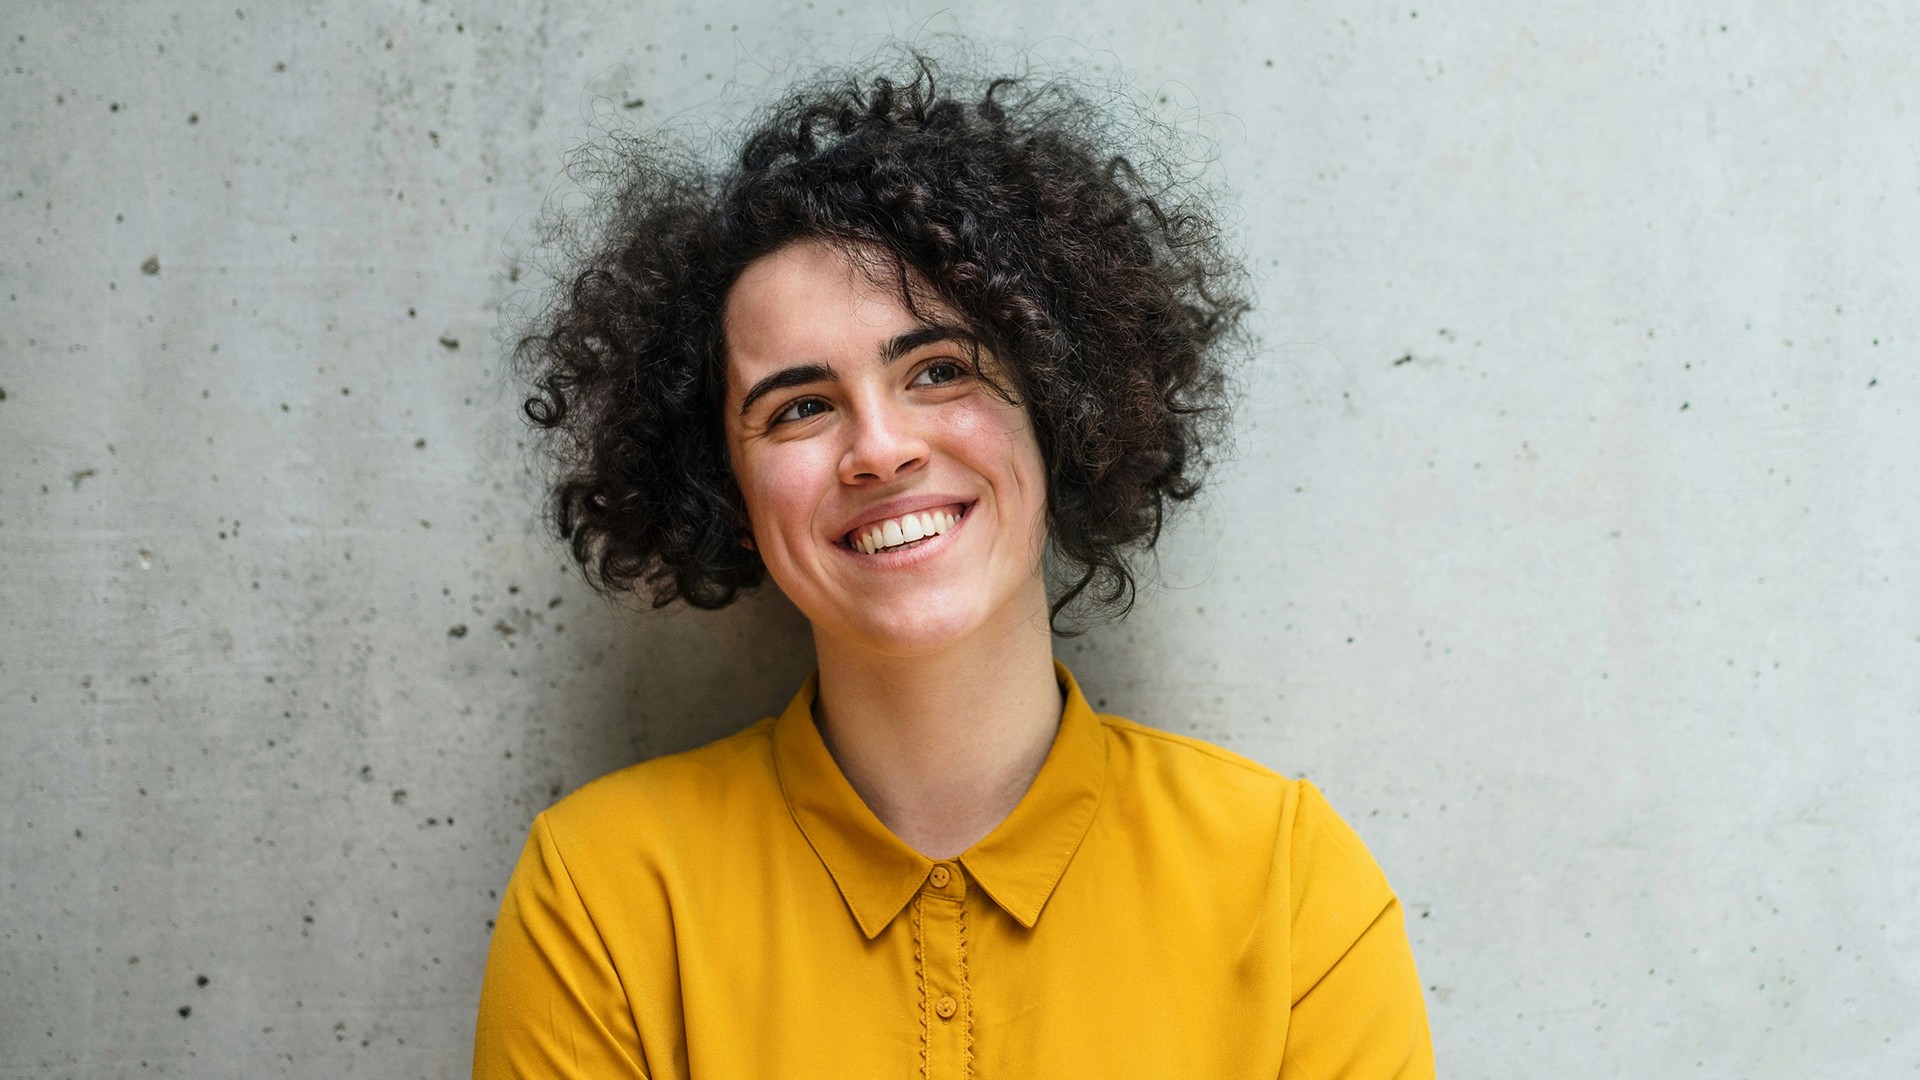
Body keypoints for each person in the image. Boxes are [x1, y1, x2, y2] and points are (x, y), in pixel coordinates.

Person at [474, 55, 1433, 1078]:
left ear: (1061, 410)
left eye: (939, 370)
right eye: (799, 406)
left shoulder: (1286, 881)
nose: (879, 448)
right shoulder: (602, 894)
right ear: (728, 492)